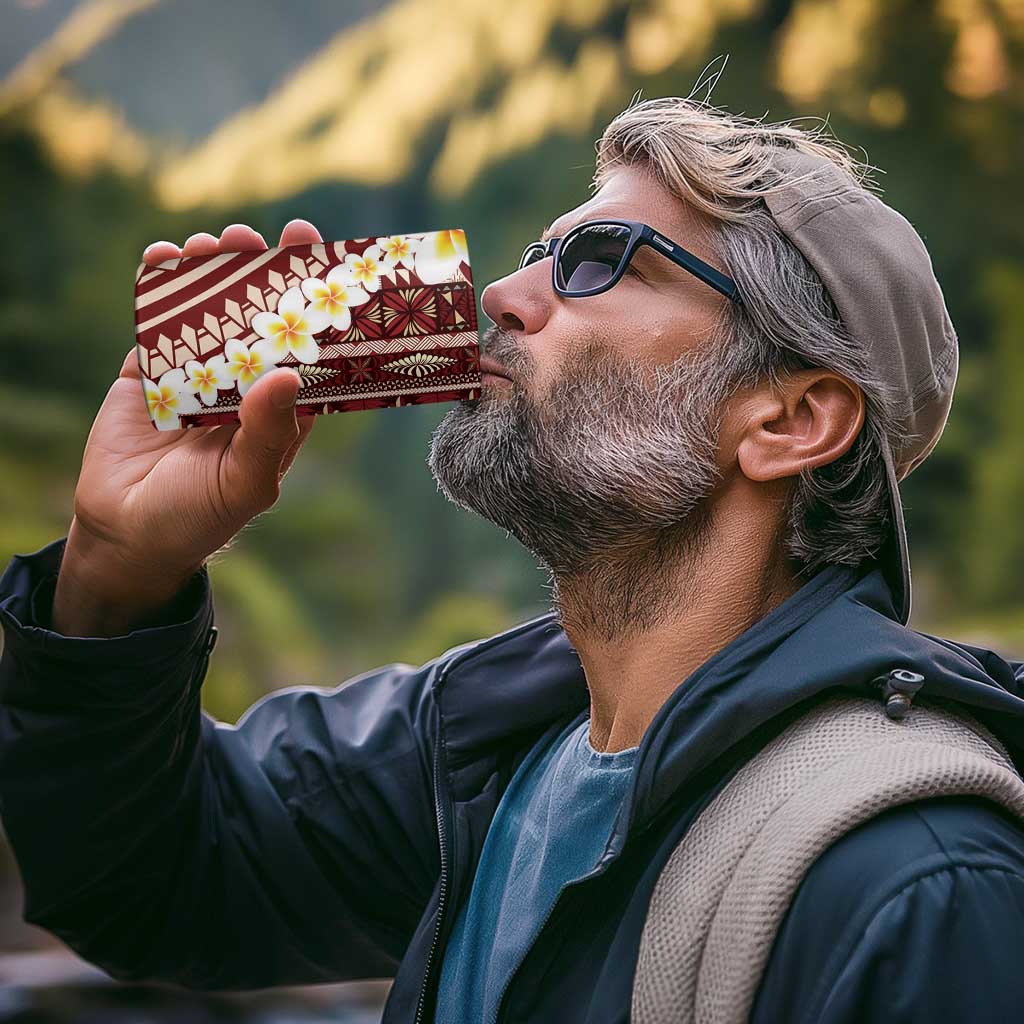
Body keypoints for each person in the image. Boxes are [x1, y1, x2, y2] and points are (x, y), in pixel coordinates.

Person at [2, 93, 1024, 1024]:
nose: (500, 293)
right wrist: (115, 572)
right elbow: (148, 879)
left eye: (599, 261)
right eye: (540, 252)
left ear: (790, 419)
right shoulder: (479, 749)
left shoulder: (918, 884)